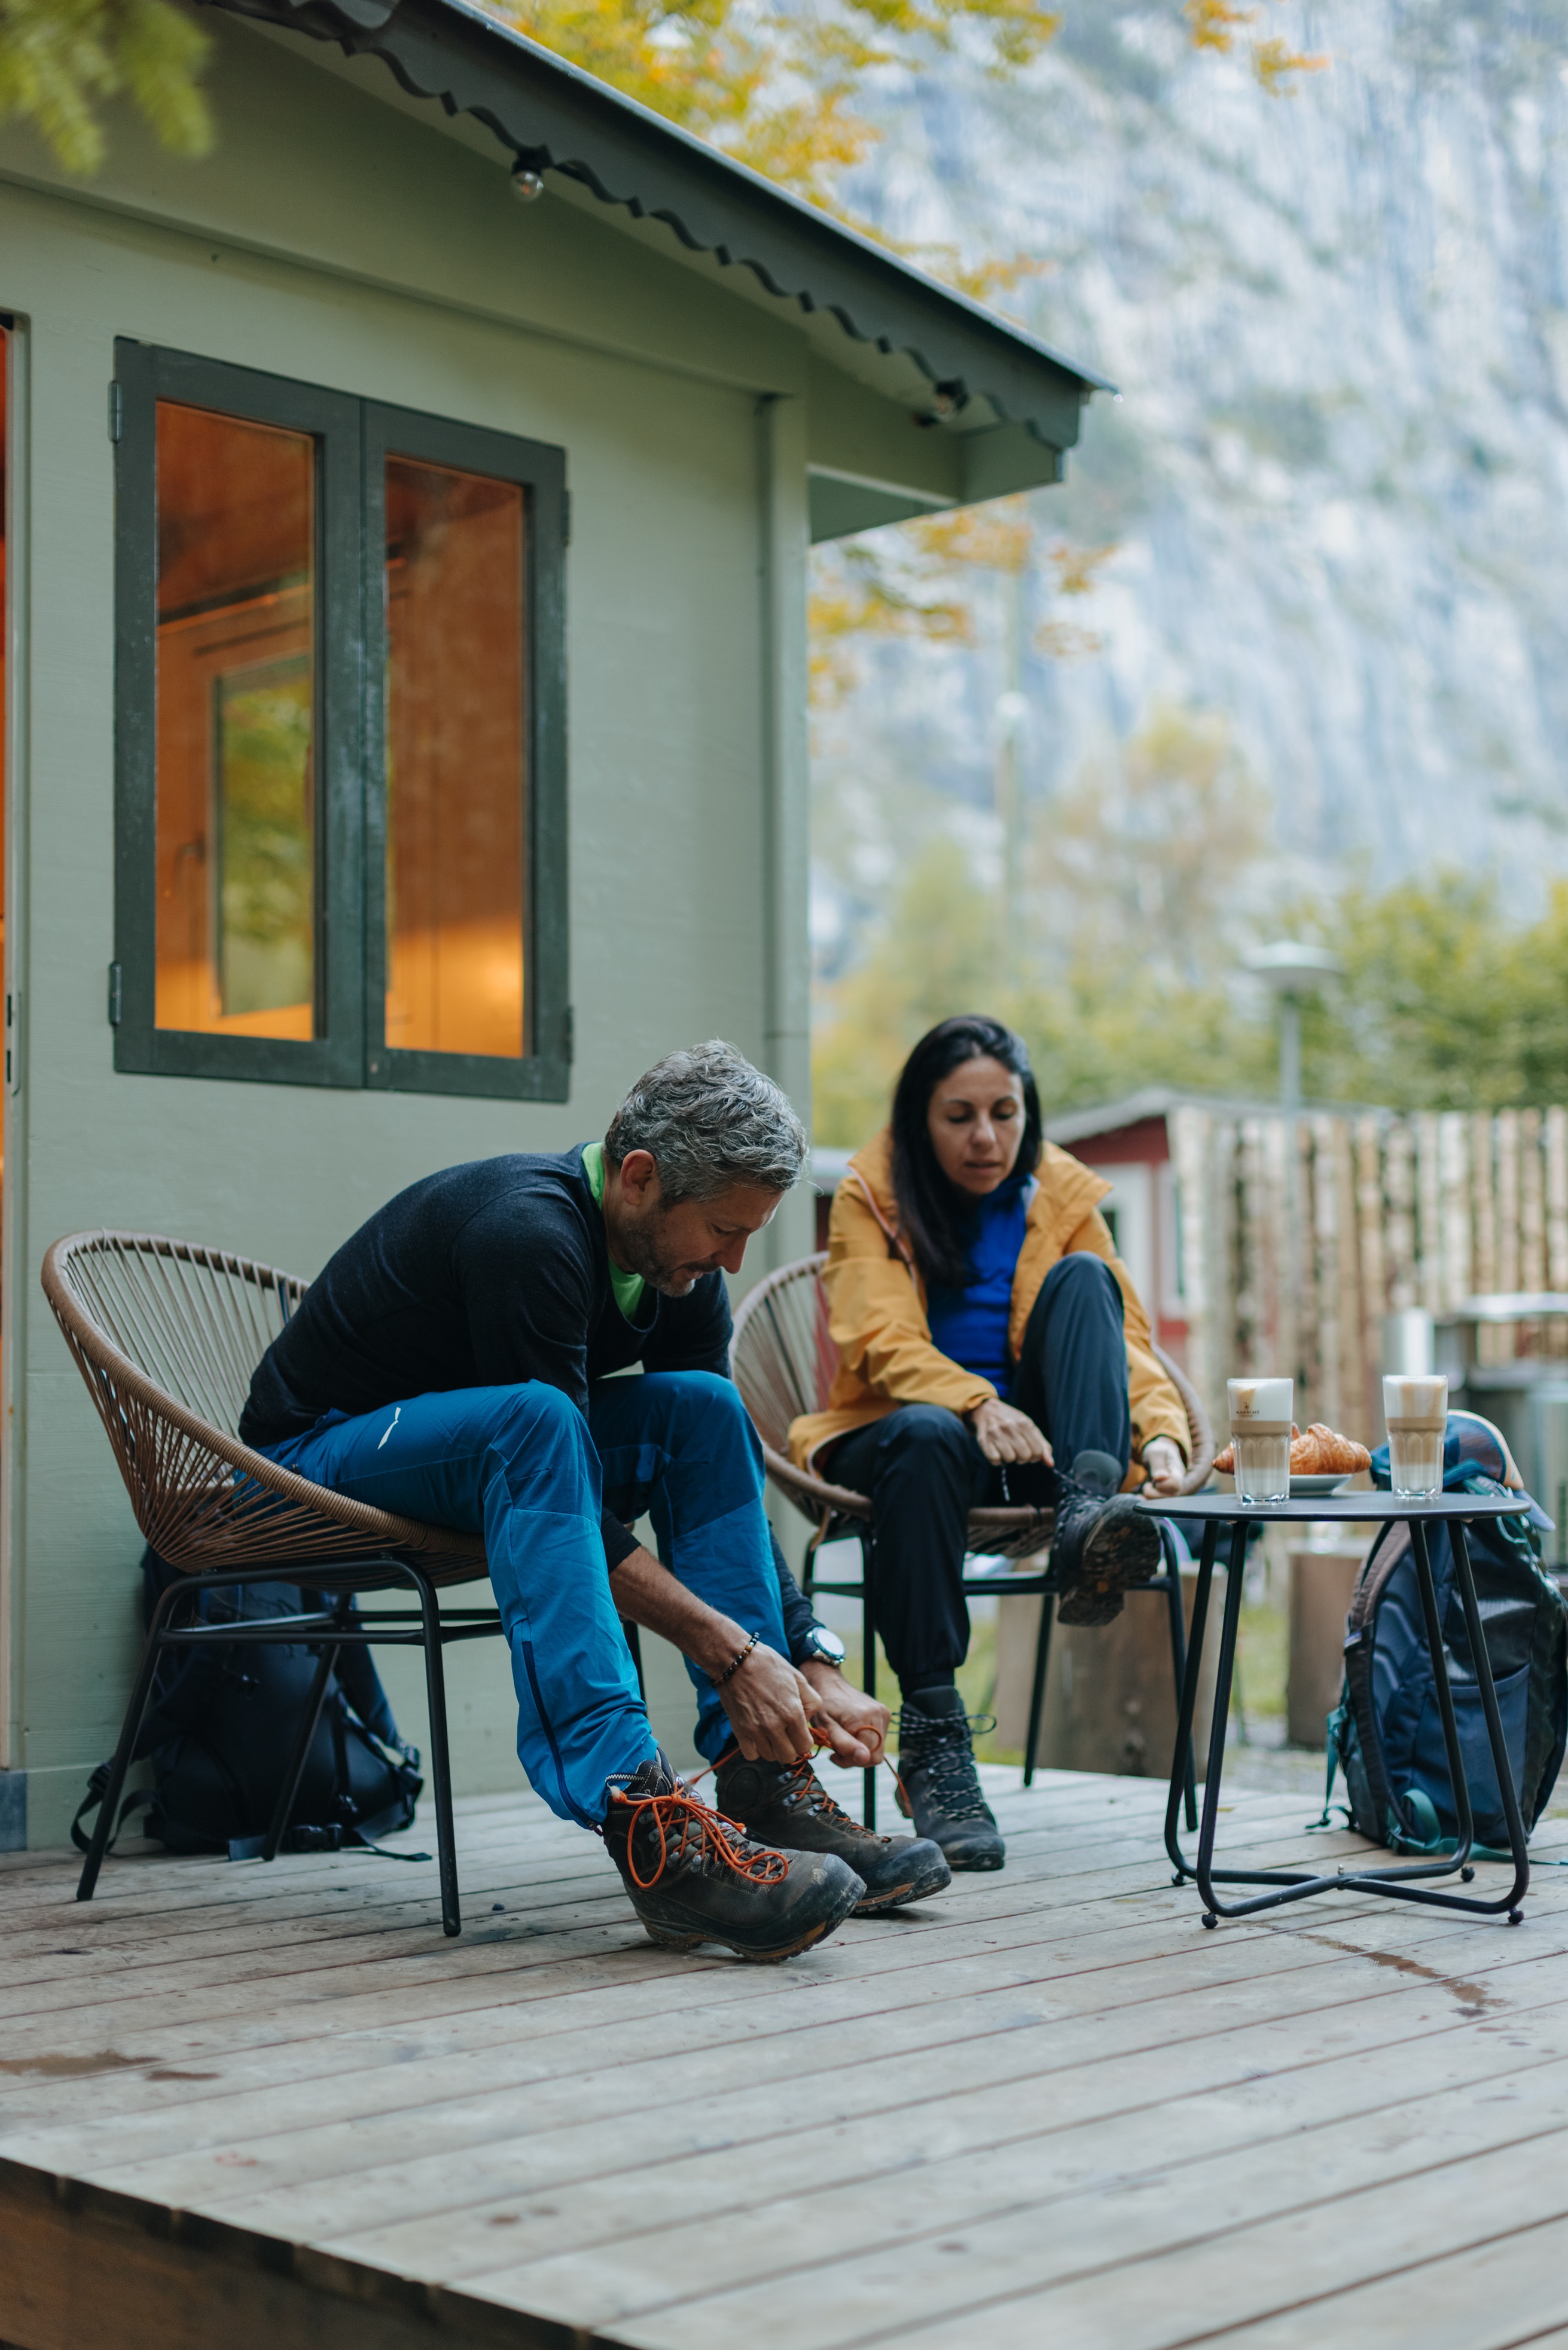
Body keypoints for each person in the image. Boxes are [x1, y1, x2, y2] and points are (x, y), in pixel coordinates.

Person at [238, 1042, 950, 1962]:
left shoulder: (678, 1268)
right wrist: (732, 1654)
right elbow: (562, 1484)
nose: (732, 1256)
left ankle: (763, 1783)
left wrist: (802, 1654)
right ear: (641, 1177)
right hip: (313, 1456)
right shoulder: (527, 1232)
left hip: (478, 1461)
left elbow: (716, 1465)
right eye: (724, 1229)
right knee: (533, 1423)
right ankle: (651, 1829)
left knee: (702, 1409)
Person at [789, 1016, 1190, 1873]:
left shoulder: (1062, 1194)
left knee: (1087, 1280)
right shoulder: (873, 1192)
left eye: (1004, 1112)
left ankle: (1089, 1520)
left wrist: (1157, 1436)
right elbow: (877, 1339)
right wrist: (975, 1403)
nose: (985, 1137)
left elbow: (1119, 1342)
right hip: (899, 1434)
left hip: (1041, 1452)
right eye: (958, 1115)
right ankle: (935, 1743)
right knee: (930, 1434)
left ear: (1027, 1111)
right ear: (917, 1120)